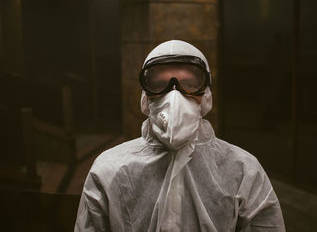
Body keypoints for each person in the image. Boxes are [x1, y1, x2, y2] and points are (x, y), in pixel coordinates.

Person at [74, 40, 285, 232]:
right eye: (159, 84)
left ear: (207, 95)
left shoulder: (243, 170)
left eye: (190, 84)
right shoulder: (108, 170)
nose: (174, 95)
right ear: (145, 97)